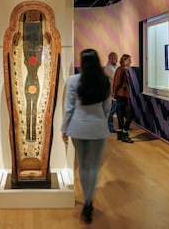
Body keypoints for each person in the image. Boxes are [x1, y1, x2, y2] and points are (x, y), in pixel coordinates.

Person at [61, 49, 111, 224]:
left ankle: (86, 201)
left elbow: (69, 108)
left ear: (82, 62)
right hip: (98, 127)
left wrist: (64, 129)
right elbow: (107, 108)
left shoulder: (74, 80)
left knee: (82, 165)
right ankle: (89, 202)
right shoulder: (104, 81)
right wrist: (100, 119)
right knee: (94, 166)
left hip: (77, 127)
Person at [112, 54, 134, 143]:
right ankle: (124, 134)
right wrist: (115, 95)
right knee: (130, 115)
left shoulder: (122, 70)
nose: (130, 62)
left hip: (121, 96)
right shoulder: (121, 70)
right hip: (121, 96)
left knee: (121, 116)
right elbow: (117, 83)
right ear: (124, 60)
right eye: (129, 60)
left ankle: (120, 134)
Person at [104, 51, 118, 133]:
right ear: (110, 59)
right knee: (111, 111)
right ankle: (110, 127)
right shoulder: (109, 68)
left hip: (114, 93)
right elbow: (116, 78)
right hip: (111, 93)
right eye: (115, 59)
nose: (116, 60)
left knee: (114, 110)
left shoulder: (114, 67)